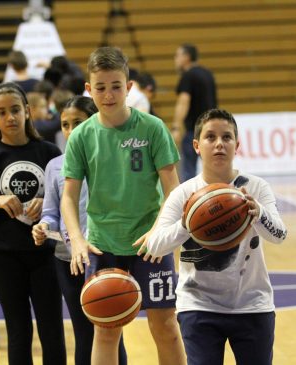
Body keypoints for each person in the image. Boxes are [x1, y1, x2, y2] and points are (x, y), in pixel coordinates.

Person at [61, 46, 186, 365]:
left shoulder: (152, 127)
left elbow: (173, 188)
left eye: (116, 86)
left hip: (150, 245)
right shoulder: (81, 136)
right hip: (104, 247)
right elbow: (69, 196)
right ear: (89, 89)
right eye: (100, 87)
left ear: (129, 87)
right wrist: (77, 239)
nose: (108, 94)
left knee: (167, 327)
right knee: (105, 331)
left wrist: (161, 232)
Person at [144, 108, 288, 365]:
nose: (219, 143)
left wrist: (259, 213)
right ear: (197, 146)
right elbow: (154, 245)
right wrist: (188, 225)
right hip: (198, 306)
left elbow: (279, 235)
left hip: (252, 304)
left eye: (226, 137)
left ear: (237, 145)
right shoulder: (183, 193)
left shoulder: (256, 187)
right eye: (210, 137)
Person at [0, 82, 65, 365]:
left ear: (27, 112)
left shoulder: (50, 154)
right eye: (2, 112)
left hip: (46, 254)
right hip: (2, 257)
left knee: (52, 329)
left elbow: (69, 205)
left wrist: (46, 203)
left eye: (15, 110)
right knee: (18, 330)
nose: (10, 117)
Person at [32, 96, 126, 365]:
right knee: (83, 333)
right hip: (67, 258)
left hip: (105, 254)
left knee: (109, 330)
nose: (71, 130)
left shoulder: (112, 159)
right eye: (65, 124)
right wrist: (43, 226)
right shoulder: (54, 166)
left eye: (78, 122)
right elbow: (51, 212)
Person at [172, 43, 217, 182]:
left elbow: (183, 101)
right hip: (212, 128)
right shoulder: (207, 73)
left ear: (186, 57)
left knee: (188, 171)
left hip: (194, 130)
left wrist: (176, 127)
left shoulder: (188, 75)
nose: (175, 59)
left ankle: (190, 201)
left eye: (178, 55)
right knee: (214, 168)